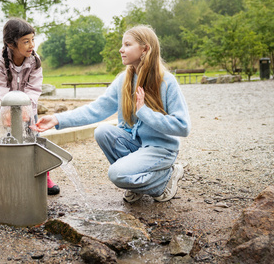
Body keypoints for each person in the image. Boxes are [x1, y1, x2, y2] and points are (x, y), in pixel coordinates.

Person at [32, 25, 190, 203]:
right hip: (136, 144)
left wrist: (144, 112)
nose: (121, 49)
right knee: (103, 131)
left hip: (161, 149)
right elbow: (96, 109)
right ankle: (136, 185)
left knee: (116, 174)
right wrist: (57, 119)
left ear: (145, 48)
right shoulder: (124, 79)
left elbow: (183, 126)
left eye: (127, 45)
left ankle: (165, 179)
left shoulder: (166, 81)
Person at [0, 17, 60, 195]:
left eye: (32, 40)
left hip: (29, 109)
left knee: (34, 140)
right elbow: (0, 86)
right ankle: (12, 177)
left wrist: (25, 109)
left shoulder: (35, 61)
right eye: (26, 41)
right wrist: (8, 110)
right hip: (7, 110)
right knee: (9, 142)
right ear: (11, 44)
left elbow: (34, 88)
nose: (32, 45)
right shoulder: (0, 59)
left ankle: (44, 177)